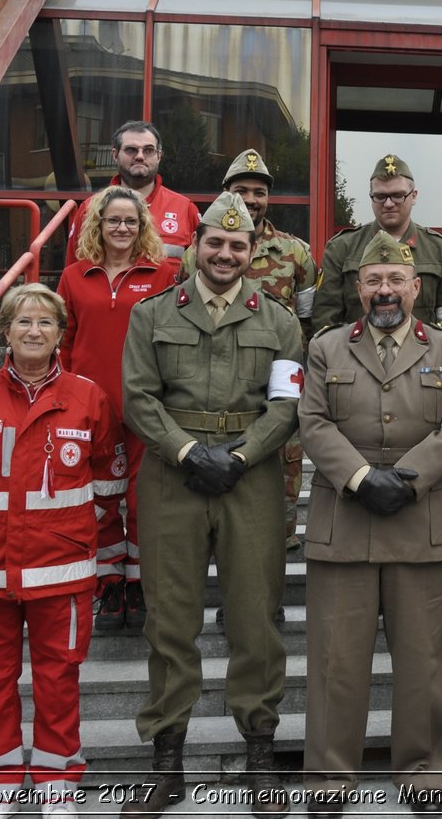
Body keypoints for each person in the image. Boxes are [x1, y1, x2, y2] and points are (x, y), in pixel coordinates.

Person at [118, 192, 305, 818]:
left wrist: (241, 457)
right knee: (171, 621)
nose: (226, 254)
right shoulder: (152, 315)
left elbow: (285, 408)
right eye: (215, 243)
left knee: (256, 617)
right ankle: (167, 762)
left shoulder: (279, 321)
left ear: (254, 252)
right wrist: (188, 452)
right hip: (173, 479)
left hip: (249, 479)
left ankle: (259, 757)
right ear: (197, 245)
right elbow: (139, 399)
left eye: (239, 244)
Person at [0, 283, 126, 819]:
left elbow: (108, 482)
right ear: (6, 332)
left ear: (62, 334)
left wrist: (81, 540)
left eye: (45, 323)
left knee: (58, 680)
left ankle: (58, 784)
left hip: (61, 572)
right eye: (23, 322)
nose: (34, 331)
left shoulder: (89, 397)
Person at [297, 231, 442, 817]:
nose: (384, 291)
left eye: (396, 279)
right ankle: (329, 779)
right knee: (335, 663)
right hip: (343, 521)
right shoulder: (326, 347)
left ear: (416, 287)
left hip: (416, 519)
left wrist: (406, 478)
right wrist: (358, 478)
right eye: (373, 280)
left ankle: (423, 773)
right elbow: (313, 421)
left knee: (422, 661)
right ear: (356, 287)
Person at [185, 149, 318, 554]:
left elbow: (307, 321)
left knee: (282, 472)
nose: (251, 199)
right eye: (241, 190)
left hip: (278, 385)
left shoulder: (296, 253)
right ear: (226, 193)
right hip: (218, 384)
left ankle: (276, 560)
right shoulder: (198, 254)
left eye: (259, 192)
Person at [56, 185, 176, 633]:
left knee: (142, 497)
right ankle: (108, 582)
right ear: (98, 225)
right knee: (100, 499)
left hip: (145, 404)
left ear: (142, 225)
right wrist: (62, 395)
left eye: (130, 220)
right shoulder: (73, 276)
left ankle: (139, 582)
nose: (122, 227)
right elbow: (63, 342)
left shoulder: (164, 273)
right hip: (89, 407)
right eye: (113, 220)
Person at [314, 154, 442, 336]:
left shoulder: (440, 250)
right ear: (371, 197)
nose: (389, 203)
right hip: (356, 358)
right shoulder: (341, 248)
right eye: (380, 196)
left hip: (422, 359)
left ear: (414, 196)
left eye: (398, 195)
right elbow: (325, 320)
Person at [64, 121, 199, 276]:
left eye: (148, 150)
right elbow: (73, 271)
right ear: (115, 155)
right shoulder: (90, 209)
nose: (140, 156)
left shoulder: (185, 208)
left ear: (159, 156)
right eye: (131, 150)